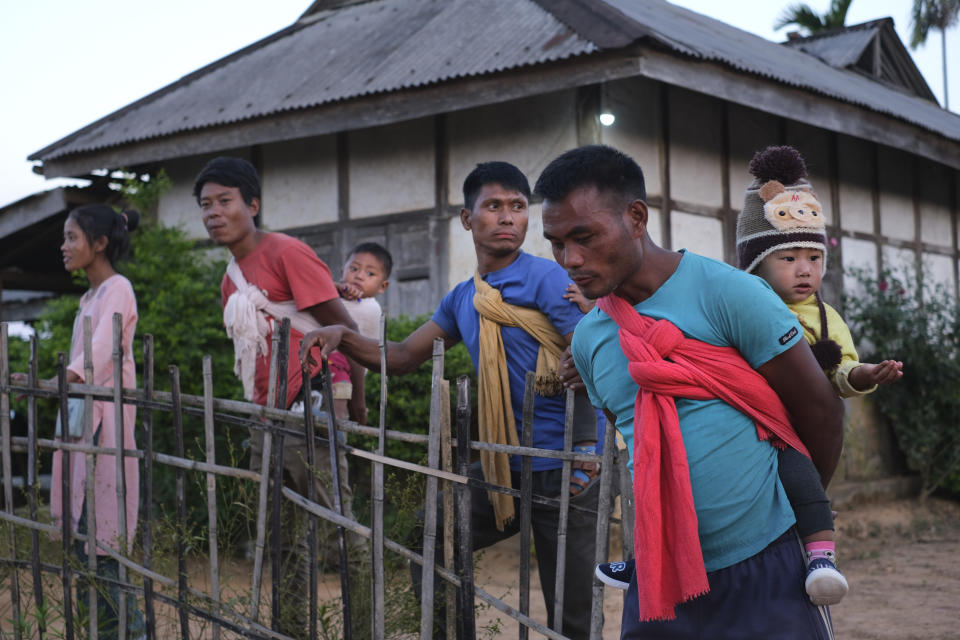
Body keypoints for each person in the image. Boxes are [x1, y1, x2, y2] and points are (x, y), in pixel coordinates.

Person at [539, 145, 842, 638]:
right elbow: (637, 442)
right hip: (662, 581)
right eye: (556, 243)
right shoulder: (592, 340)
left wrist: (795, 519)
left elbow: (820, 412)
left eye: (584, 237)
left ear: (636, 218)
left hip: (766, 565)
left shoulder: (729, 295)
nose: (570, 260)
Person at [300, 161, 603, 638]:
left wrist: (587, 447)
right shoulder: (463, 299)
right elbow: (400, 356)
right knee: (435, 537)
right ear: (467, 219)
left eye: (518, 207)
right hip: (506, 465)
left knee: (572, 611)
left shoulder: (549, 278)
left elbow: (595, 354)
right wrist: (344, 333)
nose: (507, 217)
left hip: (568, 464)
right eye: (494, 206)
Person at [193, 156, 361, 638]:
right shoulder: (231, 278)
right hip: (265, 414)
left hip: (312, 400)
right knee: (280, 536)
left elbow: (344, 331)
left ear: (253, 204)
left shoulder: (287, 252)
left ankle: (363, 623)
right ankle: (291, 629)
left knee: (338, 527)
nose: (214, 213)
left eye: (225, 201)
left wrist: (355, 399)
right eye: (206, 205)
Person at [43, 204, 144, 638]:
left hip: (106, 423)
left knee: (102, 541)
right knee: (87, 543)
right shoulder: (89, 297)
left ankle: (129, 633)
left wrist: (57, 379)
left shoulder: (118, 288)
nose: (64, 247)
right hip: (85, 421)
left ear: (99, 243)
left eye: (72, 238)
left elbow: (100, 351)